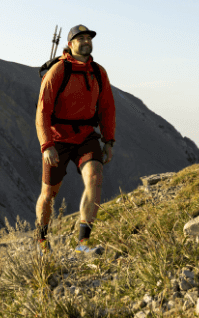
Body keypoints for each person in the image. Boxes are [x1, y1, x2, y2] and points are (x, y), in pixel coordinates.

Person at [35, 24, 116, 254]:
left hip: (85, 137)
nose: (86, 41)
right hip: (58, 139)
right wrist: (47, 145)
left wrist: (109, 141)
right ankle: (42, 240)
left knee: (95, 177)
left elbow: (107, 108)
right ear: (70, 44)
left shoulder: (99, 72)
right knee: (48, 194)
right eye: (80, 38)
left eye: (89, 38)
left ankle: (83, 243)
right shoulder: (58, 71)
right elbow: (42, 112)